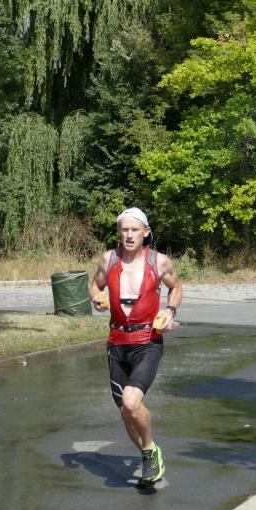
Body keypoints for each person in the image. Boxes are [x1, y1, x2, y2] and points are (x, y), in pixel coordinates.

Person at [89, 207, 183, 487]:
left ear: (146, 232)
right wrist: (96, 297)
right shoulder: (108, 259)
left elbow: (176, 287)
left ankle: (150, 448)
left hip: (147, 342)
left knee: (131, 402)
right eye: (124, 230)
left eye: (135, 230)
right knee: (126, 411)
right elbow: (95, 285)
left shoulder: (159, 262)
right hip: (117, 344)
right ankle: (148, 455)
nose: (129, 235)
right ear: (119, 232)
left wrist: (170, 311)